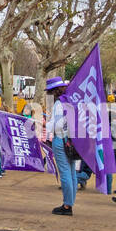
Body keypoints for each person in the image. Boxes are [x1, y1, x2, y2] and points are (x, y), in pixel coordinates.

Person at [43, 76, 76, 216]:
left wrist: (45, 125)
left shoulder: (58, 104)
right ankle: (70, 202)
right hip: (72, 139)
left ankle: (67, 205)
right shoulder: (71, 100)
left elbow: (56, 124)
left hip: (61, 139)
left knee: (65, 173)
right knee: (72, 172)